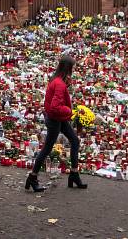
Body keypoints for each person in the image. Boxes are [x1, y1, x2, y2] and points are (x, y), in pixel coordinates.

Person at [25, 54, 88, 192]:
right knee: (47, 148)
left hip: (58, 118)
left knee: (75, 141)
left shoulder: (57, 80)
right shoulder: (59, 84)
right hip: (55, 118)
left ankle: (74, 174)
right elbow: (55, 106)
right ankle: (32, 177)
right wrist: (70, 111)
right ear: (68, 68)